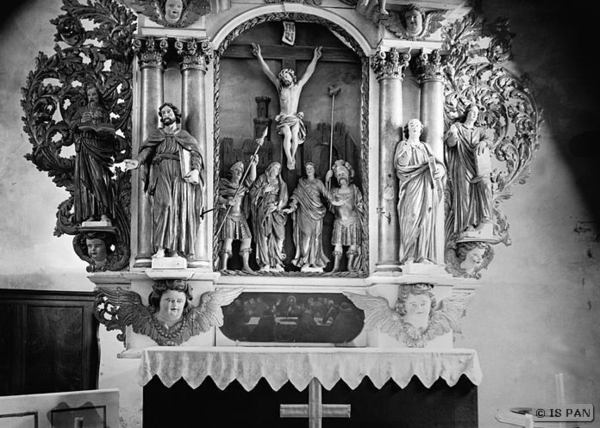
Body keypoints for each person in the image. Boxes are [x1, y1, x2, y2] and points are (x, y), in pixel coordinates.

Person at [124, 102, 205, 259]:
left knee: (178, 209)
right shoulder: (157, 135)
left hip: (180, 174)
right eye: (163, 113)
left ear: (175, 114)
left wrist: (195, 170)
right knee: (164, 206)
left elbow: (196, 153)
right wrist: (137, 162)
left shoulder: (184, 136)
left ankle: (174, 250)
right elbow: (146, 151)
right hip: (161, 172)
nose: (166, 115)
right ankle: (160, 248)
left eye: (168, 112)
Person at [251, 43, 322, 170]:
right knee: (288, 135)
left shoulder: (298, 87)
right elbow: (267, 71)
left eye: (287, 76)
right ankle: (289, 159)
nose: (285, 78)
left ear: (292, 76)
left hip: (294, 117)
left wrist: (315, 58)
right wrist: (259, 56)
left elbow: (308, 72)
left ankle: (292, 157)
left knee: (295, 134)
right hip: (283, 118)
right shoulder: (280, 87)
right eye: (283, 77)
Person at [394, 119, 445, 265]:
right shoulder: (403, 145)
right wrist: (408, 151)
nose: (415, 127)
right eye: (412, 125)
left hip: (426, 186)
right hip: (411, 185)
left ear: (421, 130)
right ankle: (409, 255)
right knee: (412, 215)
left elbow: (437, 163)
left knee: (426, 218)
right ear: (407, 129)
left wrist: (439, 171)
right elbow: (400, 167)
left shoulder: (425, 147)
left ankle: (422, 255)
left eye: (417, 126)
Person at [445, 103, 494, 237]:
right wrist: (453, 136)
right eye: (472, 112)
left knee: (484, 186)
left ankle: (484, 220)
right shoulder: (458, 127)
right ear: (467, 113)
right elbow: (450, 144)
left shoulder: (479, 131)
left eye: (476, 114)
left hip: (478, 164)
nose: (474, 115)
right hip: (462, 163)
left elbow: (490, 141)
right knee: (465, 193)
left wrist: (484, 143)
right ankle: (467, 225)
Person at [71, 84, 116, 225]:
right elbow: (71, 125)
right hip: (85, 147)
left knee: (99, 179)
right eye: (89, 95)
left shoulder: (104, 113)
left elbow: (110, 132)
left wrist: (101, 128)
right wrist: (81, 122)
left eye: (94, 95)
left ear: (99, 97)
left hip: (99, 148)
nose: (91, 98)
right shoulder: (81, 111)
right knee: (86, 182)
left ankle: (104, 212)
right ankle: (89, 214)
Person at [282, 162, 330, 272]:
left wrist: (327, 180)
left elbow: (327, 194)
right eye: (307, 168)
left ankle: (315, 261)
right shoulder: (301, 183)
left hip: (317, 212)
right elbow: (296, 196)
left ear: (314, 169)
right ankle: (306, 261)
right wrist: (291, 208)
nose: (309, 170)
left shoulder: (318, 182)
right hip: (304, 212)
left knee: (317, 237)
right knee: (307, 236)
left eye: (310, 168)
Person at [216, 156, 259, 272]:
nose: (240, 172)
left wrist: (253, 164)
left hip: (240, 216)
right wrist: (226, 201)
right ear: (231, 172)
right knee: (228, 239)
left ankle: (245, 265)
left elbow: (252, 179)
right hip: (228, 215)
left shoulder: (242, 187)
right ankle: (223, 266)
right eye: (237, 170)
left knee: (247, 238)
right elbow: (216, 196)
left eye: (241, 171)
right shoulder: (223, 184)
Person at [325, 160, 365, 272]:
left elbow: (360, 203)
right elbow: (327, 198)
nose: (341, 176)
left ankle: (350, 266)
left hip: (353, 220)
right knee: (337, 244)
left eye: (343, 174)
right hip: (339, 221)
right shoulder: (334, 191)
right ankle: (336, 266)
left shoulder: (354, 189)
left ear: (348, 175)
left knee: (353, 243)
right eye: (339, 175)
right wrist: (327, 180)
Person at [249, 162, 289, 271]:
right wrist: (263, 191)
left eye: (278, 169)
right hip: (263, 211)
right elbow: (252, 192)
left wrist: (277, 206)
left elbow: (284, 199)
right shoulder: (262, 179)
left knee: (280, 236)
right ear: (270, 168)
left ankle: (277, 261)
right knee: (264, 236)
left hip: (277, 213)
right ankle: (265, 262)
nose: (276, 171)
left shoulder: (281, 183)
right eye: (275, 168)